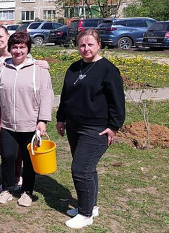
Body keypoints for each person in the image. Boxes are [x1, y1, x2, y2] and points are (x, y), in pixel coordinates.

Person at [56, 29, 125, 229]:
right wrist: (61, 118)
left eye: (90, 45)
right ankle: (91, 205)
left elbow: (117, 102)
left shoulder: (108, 70)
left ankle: (85, 214)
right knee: (88, 169)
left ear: (99, 45)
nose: (86, 49)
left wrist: (114, 127)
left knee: (80, 169)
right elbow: (65, 96)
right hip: (73, 126)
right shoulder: (74, 67)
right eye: (82, 45)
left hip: (96, 128)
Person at [0, 32, 54, 207]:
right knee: (8, 157)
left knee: (29, 159)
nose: (18, 51)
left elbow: (47, 95)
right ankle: (8, 189)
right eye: (15, 47)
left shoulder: (39, 70)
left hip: (30, 125)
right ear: (9, 49)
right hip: (7, 124)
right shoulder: (1, 70)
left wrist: (42, 120)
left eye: (22, 47)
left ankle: (27, 192)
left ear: (28, 49)